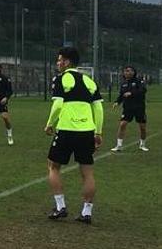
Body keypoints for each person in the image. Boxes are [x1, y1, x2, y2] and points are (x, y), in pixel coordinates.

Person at [44, 47, 103, 224]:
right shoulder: (89, 80)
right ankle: (86, 212)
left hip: (66, 129)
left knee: (53, 166)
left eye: (59, 59)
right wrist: (98, 131)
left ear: (67, 62)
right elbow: (98, 108)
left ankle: (60, 207)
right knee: (87, 172)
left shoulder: (61, 79)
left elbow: (58, 105)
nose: (58, 63)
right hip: (86, 131)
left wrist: (49, 123)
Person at [111, 66, 149, 152]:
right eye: (126, 71)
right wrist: (117, 102)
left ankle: (142, 145)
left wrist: (131, 93)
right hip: (128, 108)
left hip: (139, 107)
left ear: (133, 72)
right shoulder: (123, 83)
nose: (128, 72)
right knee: (122, 124)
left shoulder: (139, 81)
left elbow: (143, 90)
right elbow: (121, 95)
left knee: (142, 127)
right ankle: (119, 146)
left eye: (130, 71)